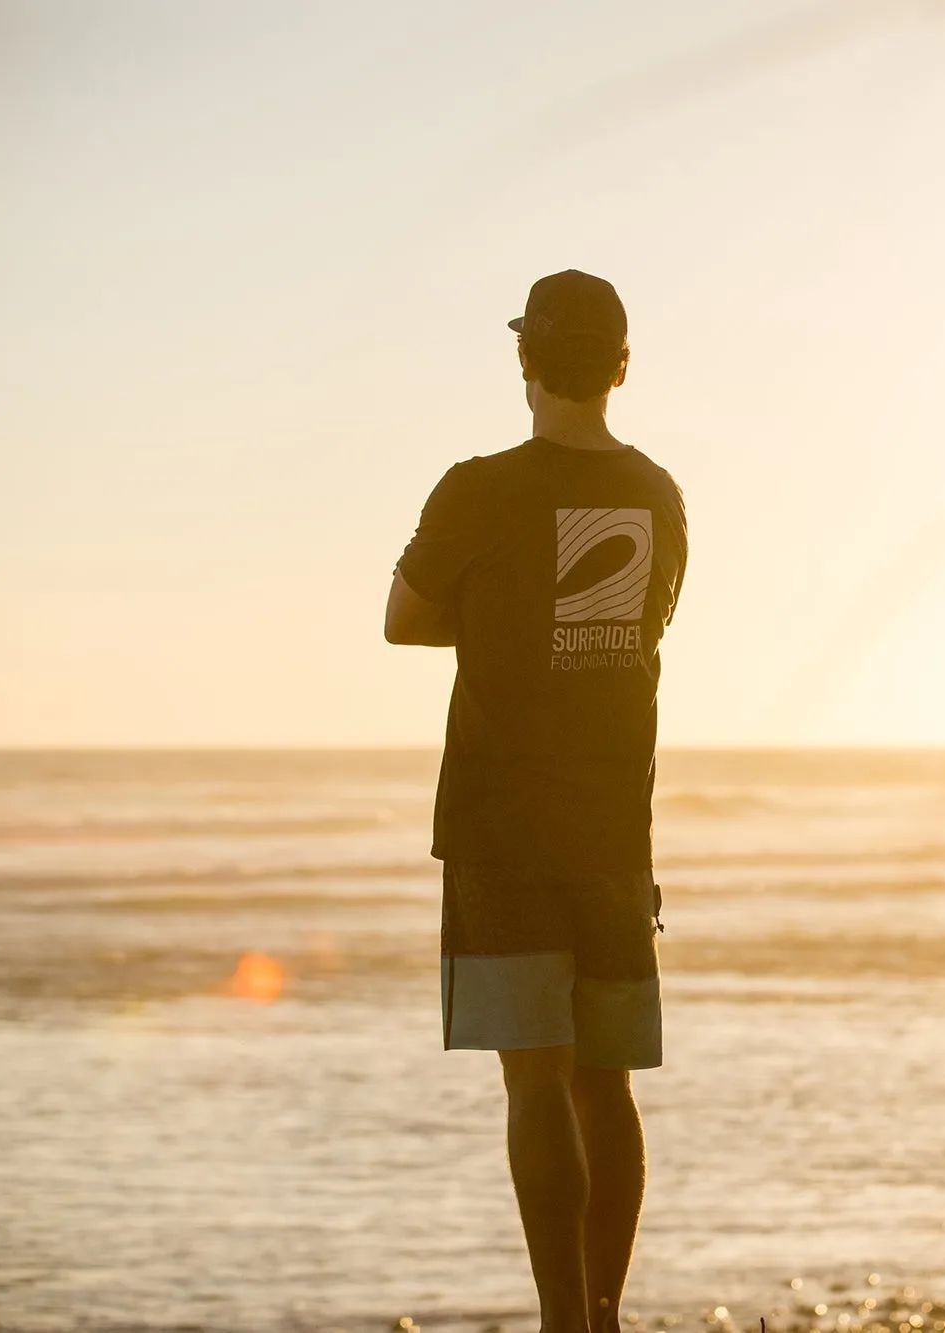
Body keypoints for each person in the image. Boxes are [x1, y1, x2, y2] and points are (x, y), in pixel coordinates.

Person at [385, 269, 688, 1333]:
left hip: (501, 821)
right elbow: (638, 636)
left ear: (524, 360)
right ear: (619, 364)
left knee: (536, 1085)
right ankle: (603, 1319)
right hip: (613, 824)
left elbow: (403, 620)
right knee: (605, 1086)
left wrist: (505, 619)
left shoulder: (477, 488)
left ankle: (563, 1323)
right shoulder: (656, 494)